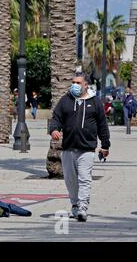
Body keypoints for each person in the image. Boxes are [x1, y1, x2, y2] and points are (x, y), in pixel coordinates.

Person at [49, 72, 110, 222]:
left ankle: (83, 208)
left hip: (86, 149)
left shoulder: (95, 102)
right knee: (70, 180)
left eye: (78, 82)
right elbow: (56, 118)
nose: (74, 85)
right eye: (73, 82)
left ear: (85, 85)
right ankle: (75, 205)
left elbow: (102, 125)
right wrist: (54, 130)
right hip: (68, 148)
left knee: (84, 179)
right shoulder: (66, 100)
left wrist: (105, 145)